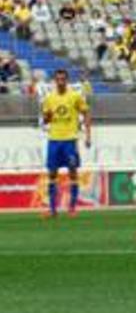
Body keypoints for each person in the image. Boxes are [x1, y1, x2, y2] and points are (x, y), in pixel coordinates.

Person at [41, 70, 90, 218]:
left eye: (63, 79)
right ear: (55, 81)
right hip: (54, 140)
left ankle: (72, 208)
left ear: (67, 81)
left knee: (73, 172)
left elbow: (86, 113)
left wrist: (88, 135)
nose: (60, 82)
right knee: (52, 173)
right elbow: (46, 120)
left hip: (70, 140)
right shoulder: (49, 98)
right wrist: (47, 117)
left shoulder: (75, 96)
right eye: (58, 79)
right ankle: (52, 209)